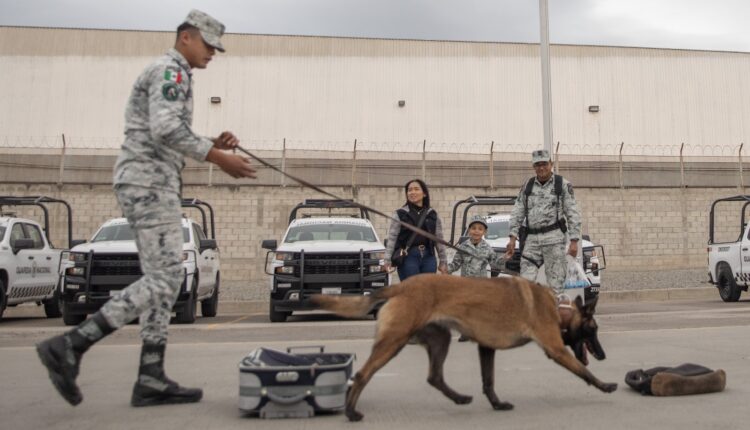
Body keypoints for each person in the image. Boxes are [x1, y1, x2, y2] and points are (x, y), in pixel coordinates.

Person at [36, 9, 257, 408]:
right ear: (186, 37)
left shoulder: (174, 73)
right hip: (148, 183)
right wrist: (216, 157)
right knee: (166, 276)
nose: (213, 53)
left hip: (151, 181)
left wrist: (211, 142)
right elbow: (165, 128)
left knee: (165, 278)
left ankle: (151, 376)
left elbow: (166, 130)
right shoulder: (170, 71)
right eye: (208, 45)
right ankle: (70, 344)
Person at [504, 149, 581, 294]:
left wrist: (574, 240)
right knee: (525, 284)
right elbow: (518, 211)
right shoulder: (528, 185)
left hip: (554, 239)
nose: (541, 168)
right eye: (537, 164)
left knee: (555, 285)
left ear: (551, 164)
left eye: (544, 164)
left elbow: (572, 212)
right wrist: (512, 238)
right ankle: (530, 315)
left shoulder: (562, 184)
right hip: (532, 240)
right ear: (533, 167)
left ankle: (553, 314)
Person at [446, 215, 507, 341]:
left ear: (485, 232)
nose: (476, 231)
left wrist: (505, 257)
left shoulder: (488, 249)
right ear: (469, 230)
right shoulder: (463, 247)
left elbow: (496, 263)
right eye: (473, 228)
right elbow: (456, 263)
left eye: (480, 229)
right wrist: (447, 269)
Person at [384, 179, 448, 281]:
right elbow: (392, 238)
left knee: (427, 290)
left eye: (416, 189)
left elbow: (439, 239)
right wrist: (387, 260)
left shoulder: (432, 214)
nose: (412, 192)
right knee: (411, 291)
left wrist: (443, 261)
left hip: (429, 257)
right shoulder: (400, 214)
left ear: (424, 194)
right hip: (408, 257)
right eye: (409, 190)